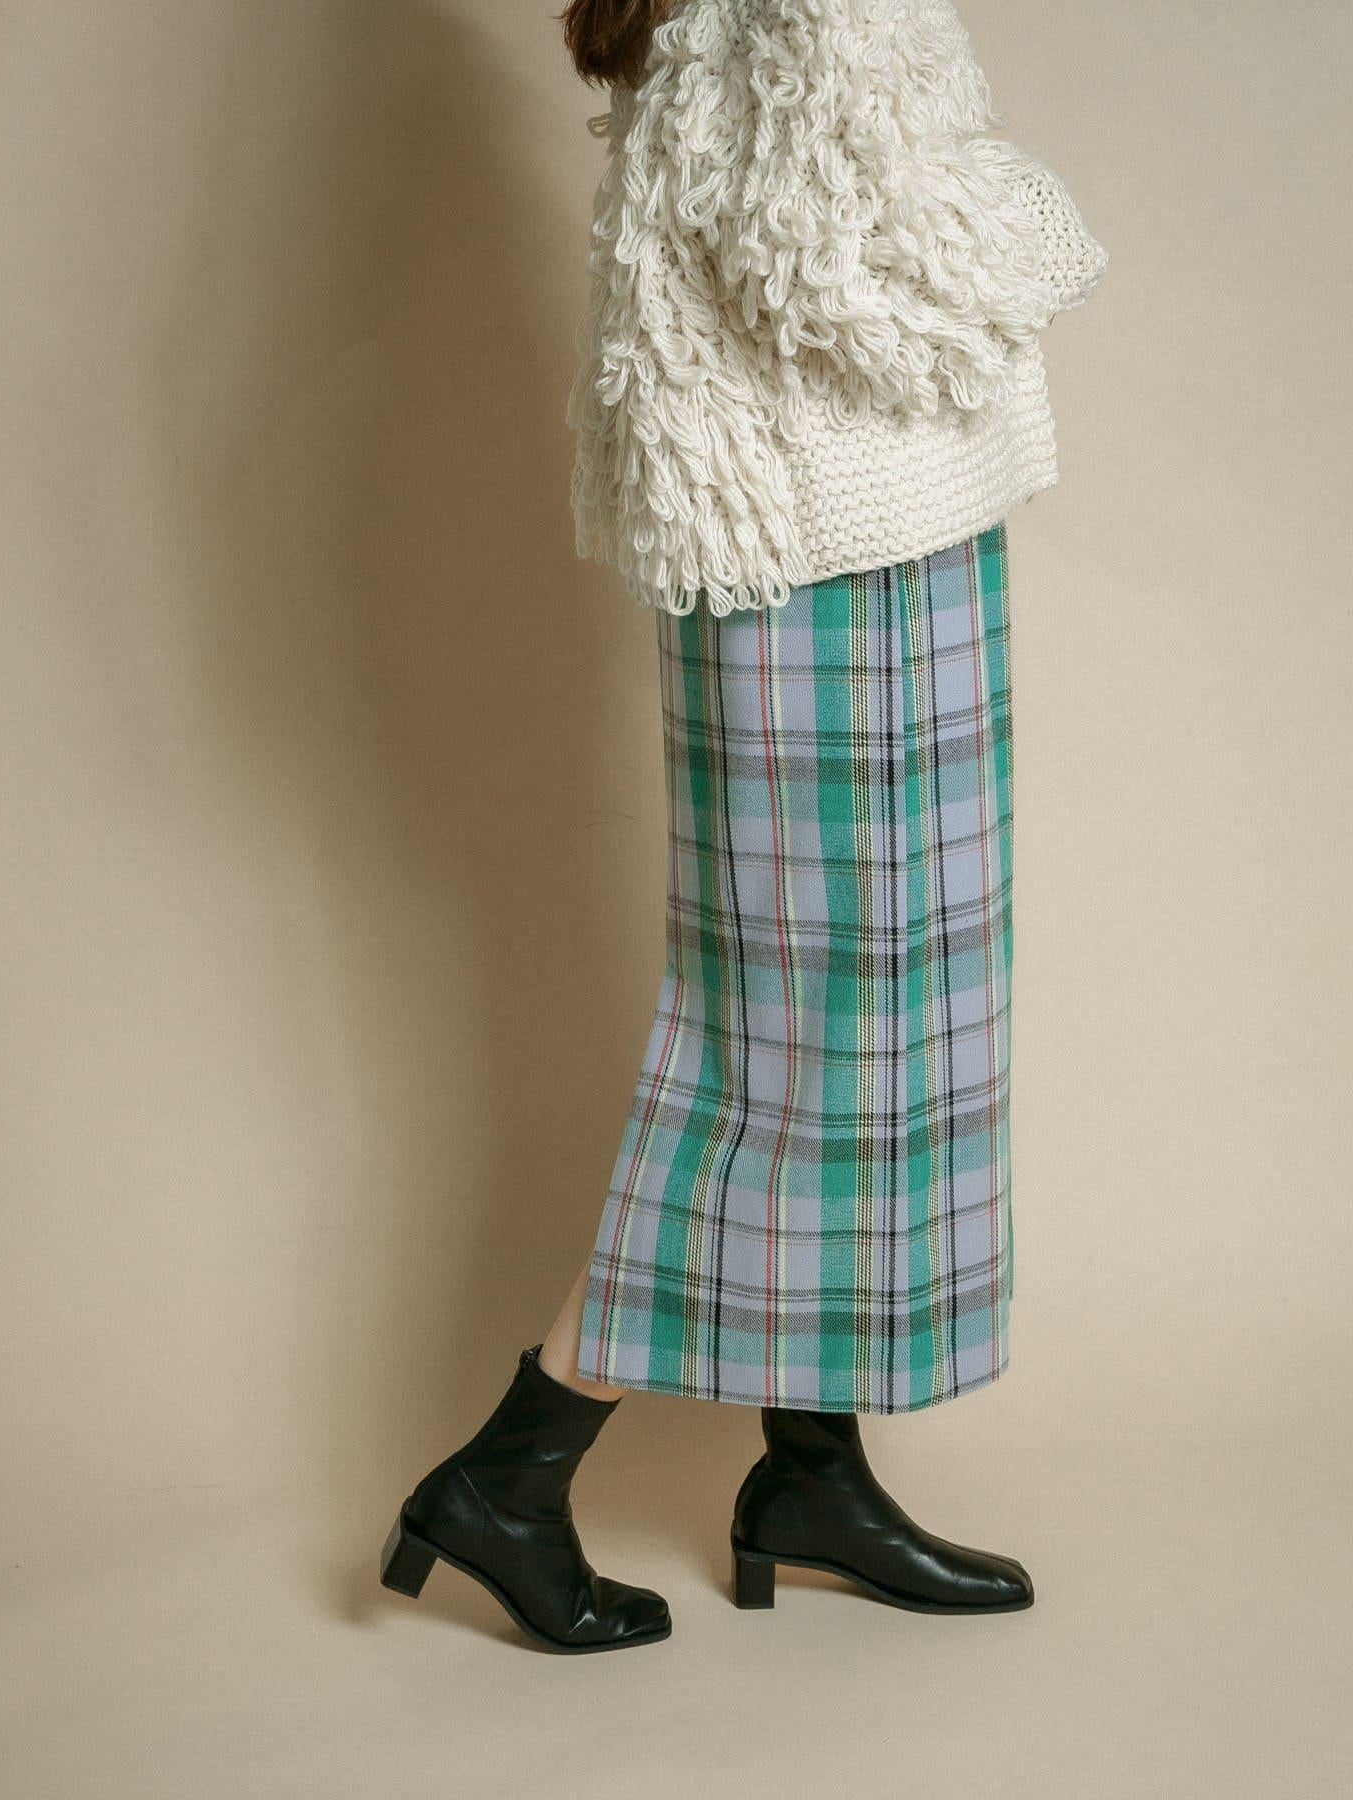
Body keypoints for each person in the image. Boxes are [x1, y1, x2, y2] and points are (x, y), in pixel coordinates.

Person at [379, 0, 1108, 1653]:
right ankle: (509, 1470)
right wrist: (1040, 215)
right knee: (805, 1042)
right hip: (838, 545)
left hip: (818, 531)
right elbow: (838, 259)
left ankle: (811, 1477)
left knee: (866, 1027)